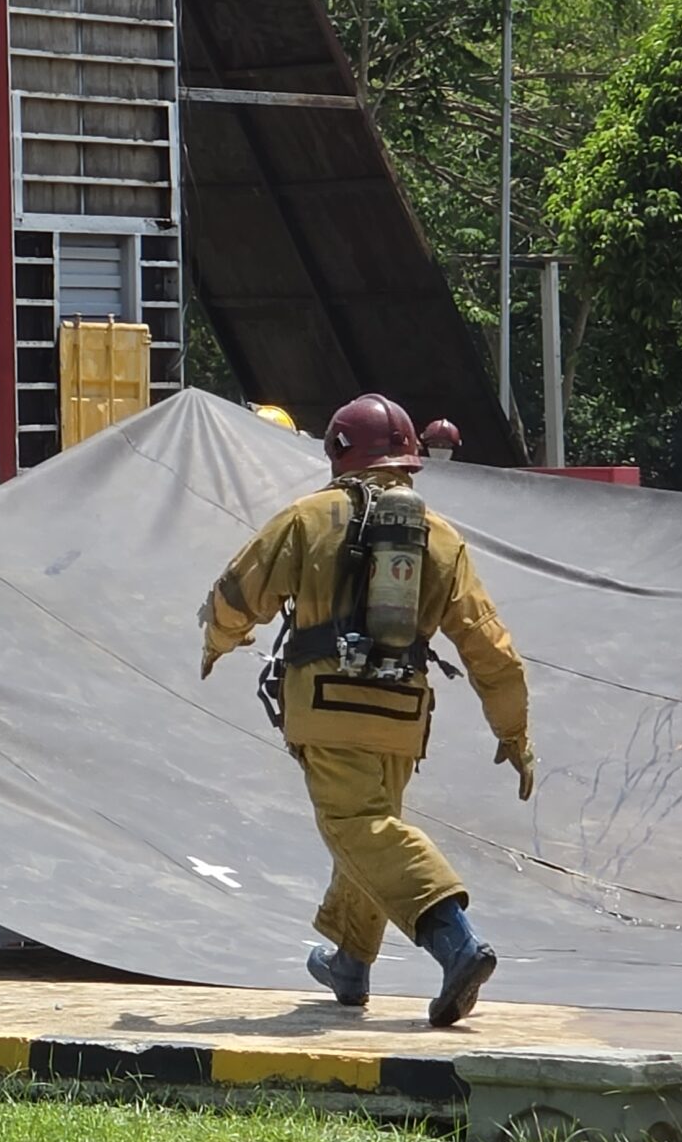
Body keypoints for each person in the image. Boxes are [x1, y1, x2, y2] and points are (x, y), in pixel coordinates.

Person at [199, 392, 533, 1027]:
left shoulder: (307, 519)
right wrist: (514, 734)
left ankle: (456, 941)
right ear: (410, 458)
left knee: (359, 826)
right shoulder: (441, 538)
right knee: (369, 823)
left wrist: (216, 642)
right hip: (403, 718)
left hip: (328, 708)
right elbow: (492, 651)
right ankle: (350, 963)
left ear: (337, 453)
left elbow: (237, 596)